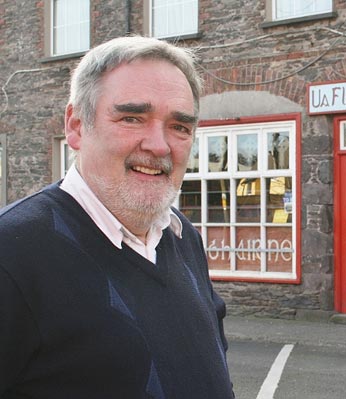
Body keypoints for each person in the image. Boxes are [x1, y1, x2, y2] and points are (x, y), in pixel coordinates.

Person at [0, 36, 235, 398]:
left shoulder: (181, 236)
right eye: (132, 118)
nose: (159, 145)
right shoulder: (12, 252)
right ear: (77, 126)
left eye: (179, 127)